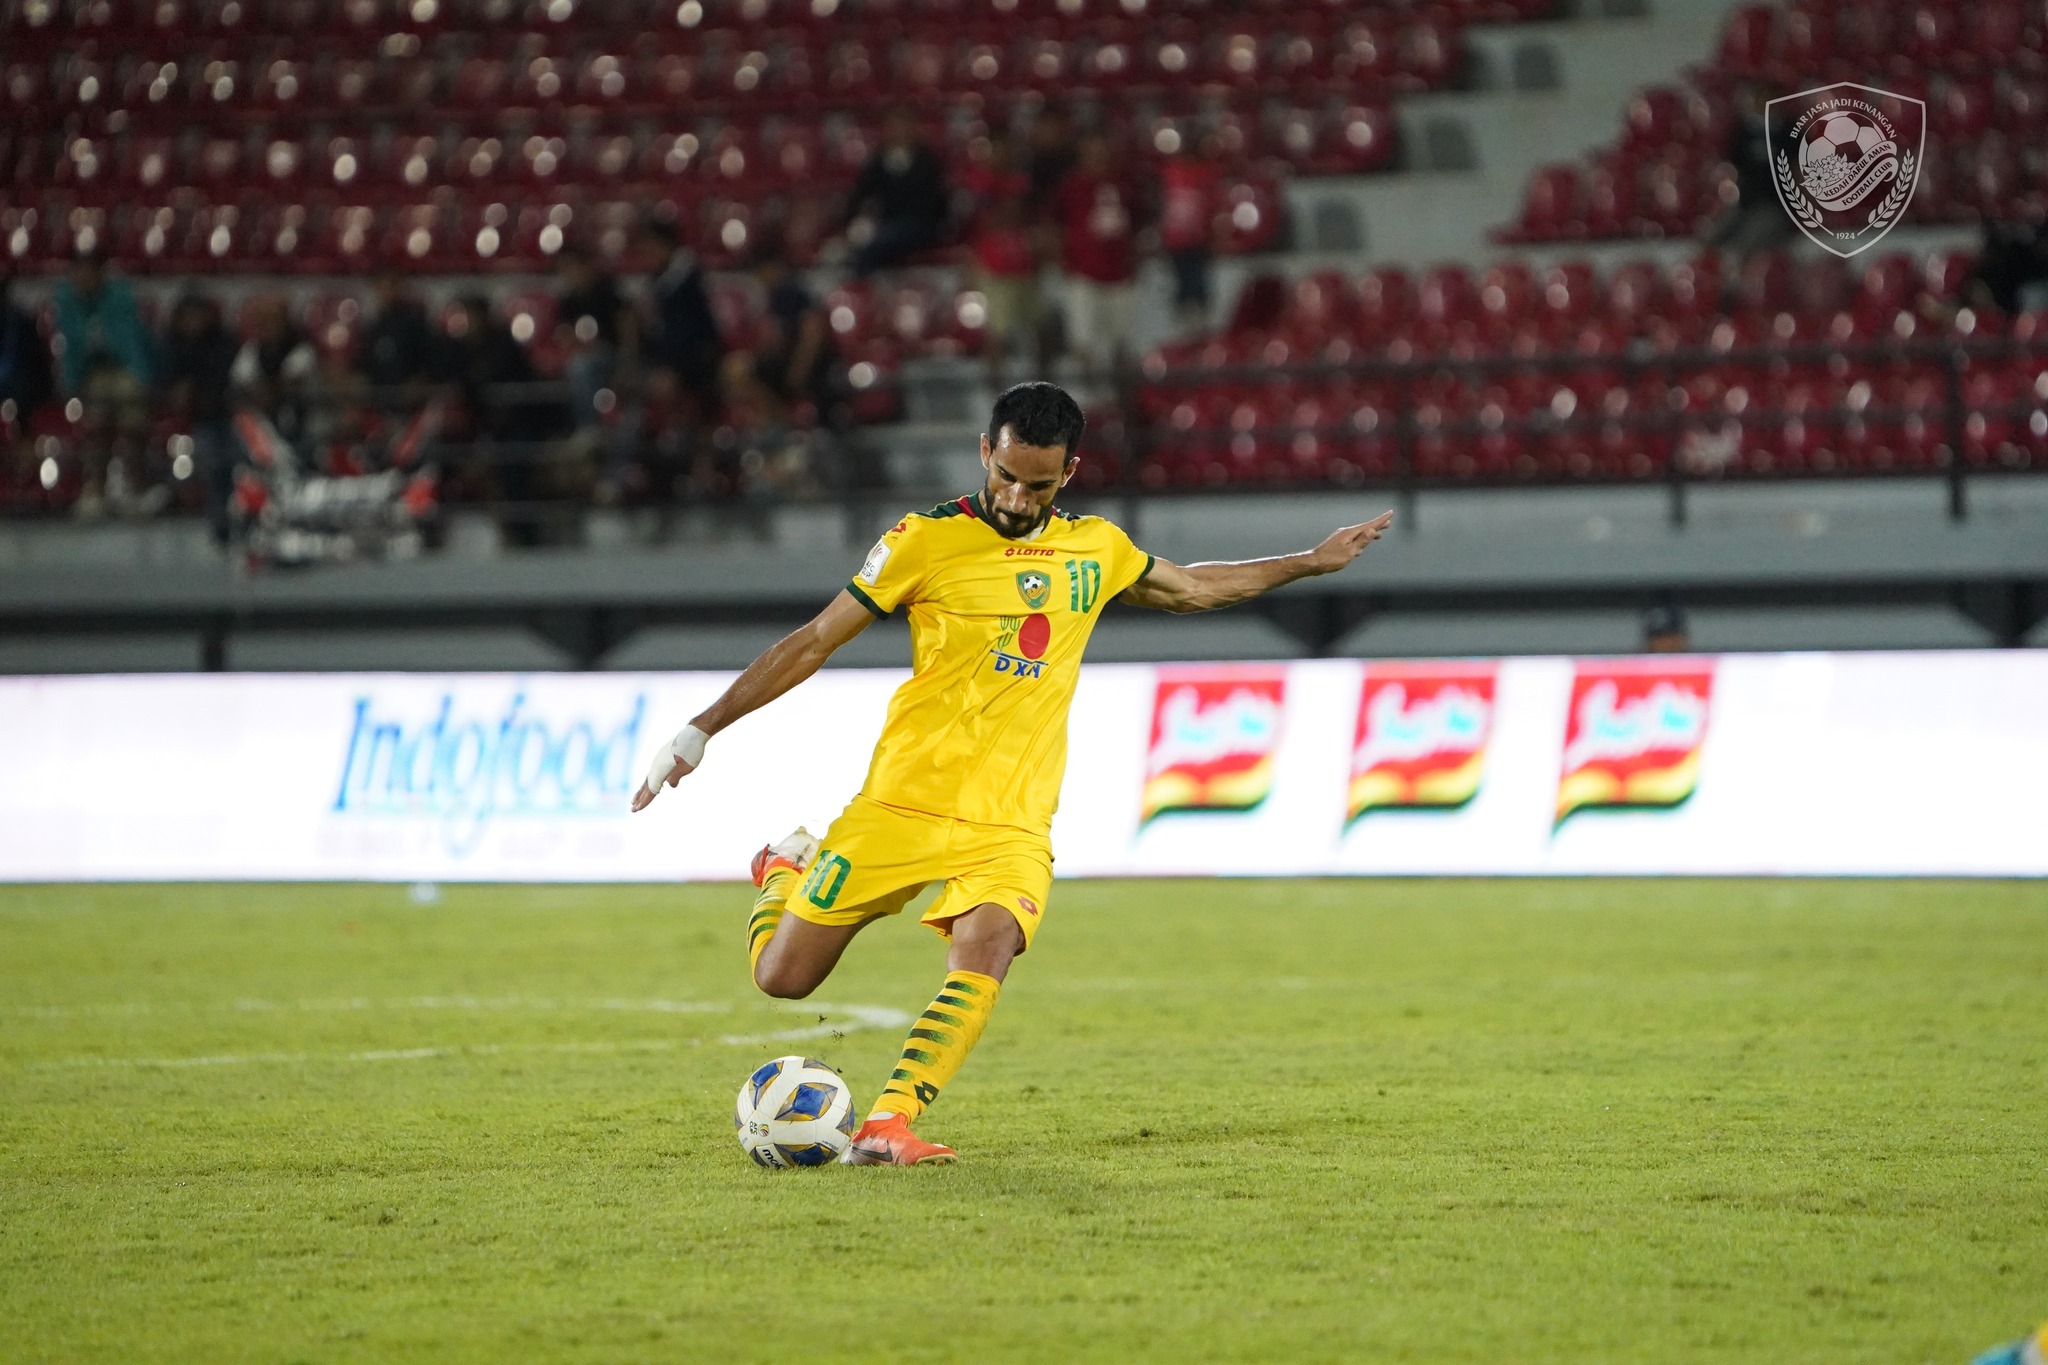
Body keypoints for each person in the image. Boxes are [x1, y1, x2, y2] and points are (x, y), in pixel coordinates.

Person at [631, 382, 1394, 1165]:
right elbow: (816, 639)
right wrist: (703, 727)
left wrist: (1308, 562)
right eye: (1007, 474)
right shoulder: (922, 540)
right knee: (782, 979)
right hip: (903, 801)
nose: (1019, 495)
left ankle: (889, 1122)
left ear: (1069, 472)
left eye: (1040, 482)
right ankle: (784, 868)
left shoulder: (1096, 547)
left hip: (1011, 819)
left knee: (989, 944)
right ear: (985, 453)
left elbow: (1194, 586)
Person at [53, 248, 155, 516]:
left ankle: (136, 488)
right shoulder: (67, 301)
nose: (84, 277)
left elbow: (133, 342)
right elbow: (70, 347)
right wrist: (71, 380)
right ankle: (96, 489)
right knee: (96, 425)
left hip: (124, 368)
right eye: (79, 271)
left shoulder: (120, 299)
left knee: (130, 417)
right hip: (93, 374)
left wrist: (143, 376)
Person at [958, 131, 1044, 388]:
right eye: (996, 150)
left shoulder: (1021, 182)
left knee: (1037, 326)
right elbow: (971, 226)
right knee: (996, 332)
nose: (1001, 156)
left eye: (1006, 150)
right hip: (992, 264)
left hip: (1024, 263)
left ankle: (1041, 386)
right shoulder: (977, 183)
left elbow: (1030, 218)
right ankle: (996, 391)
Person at [1054, 134, 1144, 378]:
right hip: (1083, 270)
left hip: (1120, 271)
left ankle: (1121, 401)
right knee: (1083, 342)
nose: (1098, 157)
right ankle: (1085, 401)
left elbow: (1138, 222)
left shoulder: (1126, 183)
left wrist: (1135, 256)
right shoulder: (1072, 185)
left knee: (1121, 341)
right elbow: (1055, 222)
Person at [157, 294, 241, 543]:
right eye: (188, 317)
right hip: (189, 423)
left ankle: (227, 520)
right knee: (207, 457)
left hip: (222, 418)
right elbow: (162, 385)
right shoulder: (171, 345)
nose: (193, 322)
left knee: (227, 460)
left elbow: (227, 384)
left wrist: (197, 392)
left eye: (198, 316)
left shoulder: (223, 343)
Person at [839, 107, 949, 278]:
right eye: (894, 127)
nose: (899, 132)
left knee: (876, 245)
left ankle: (859, 284)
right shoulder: (878, 161)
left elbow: (933, 203)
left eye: (903, 126)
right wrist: (853, 223)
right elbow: (860, 195)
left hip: (921, 226)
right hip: (887, 226)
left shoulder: (927, 161)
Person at [230, 295, 318, 451]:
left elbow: (291, 381)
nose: (268, 326)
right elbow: (242, 381)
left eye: (273, 319)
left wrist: (270, 389)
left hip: (300, 423)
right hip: (260, 419)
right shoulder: (252, 350)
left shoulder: (301, 349)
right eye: (263, 321)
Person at [1158, 132, 1223, 336]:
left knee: (1200, 286)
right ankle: (1184, 332)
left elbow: (1214, 209)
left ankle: (1201, 329)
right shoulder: (1171, 172)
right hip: (1176, 242)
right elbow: (1163, 206)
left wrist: (1214, 238)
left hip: (1199, 241)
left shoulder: (1208, 174)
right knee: (1182, 286)